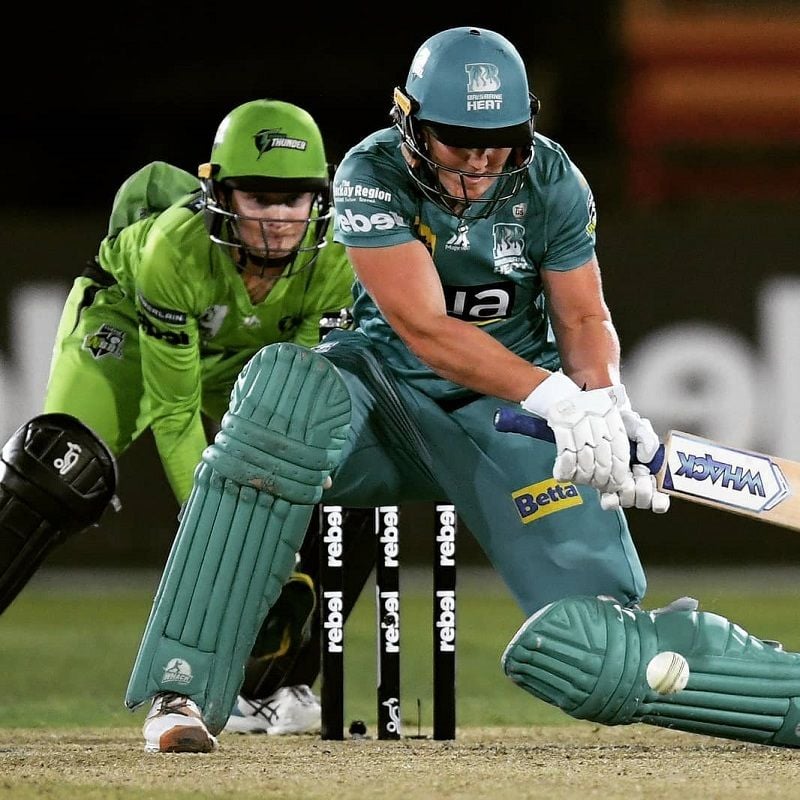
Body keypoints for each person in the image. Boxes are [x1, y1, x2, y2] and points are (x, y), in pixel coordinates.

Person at [124, 27, 800, 754]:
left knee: (599, 653)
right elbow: (424, 329)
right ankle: (181, 687)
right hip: (379, 397)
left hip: (506, 427)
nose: (479, 159)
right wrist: (559, 400)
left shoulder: (551, 179)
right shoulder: (369, 173)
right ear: (411, 121)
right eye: (457, 139)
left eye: (500, 139)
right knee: (287, 397)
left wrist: (605, 401)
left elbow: (581, 313)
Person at [0, 98, 360, 736]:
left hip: (241, 354)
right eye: (258, 197)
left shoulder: (336, 260)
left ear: (321, 196)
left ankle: (270, 689)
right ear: (219, 191)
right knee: (56, 470)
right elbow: (174, 410)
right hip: (128, 327)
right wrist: (218, 539)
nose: (278, 220)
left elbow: (292, 391)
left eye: (294, 198)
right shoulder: (176, 248)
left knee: (318, 475)